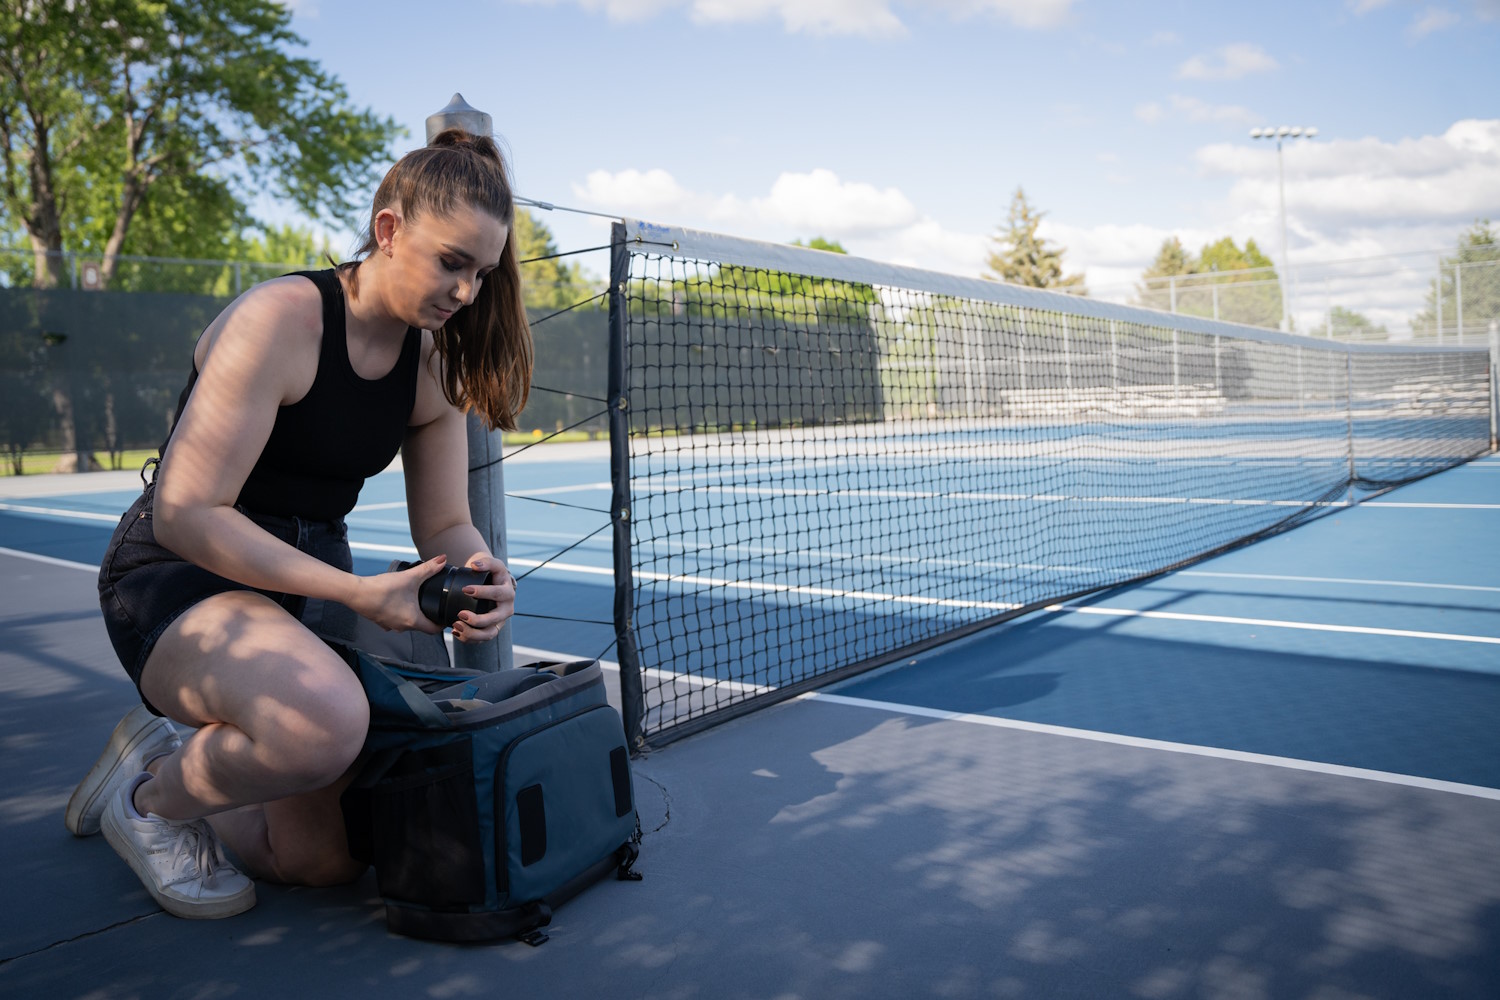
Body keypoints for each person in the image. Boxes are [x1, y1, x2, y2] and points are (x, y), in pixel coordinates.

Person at [67, 128, 532, 919]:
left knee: (315, 863)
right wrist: (354, 594)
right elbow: (185, 513)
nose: (465, 292)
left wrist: (480, 570)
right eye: (452, 262)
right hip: (180, 577)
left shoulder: (429, 363)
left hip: (302, 587)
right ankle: (149, 802)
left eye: (480, 274)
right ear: (388, 231)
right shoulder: (283, 318)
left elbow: (447, 520)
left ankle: (188, 745)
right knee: (323, 722)